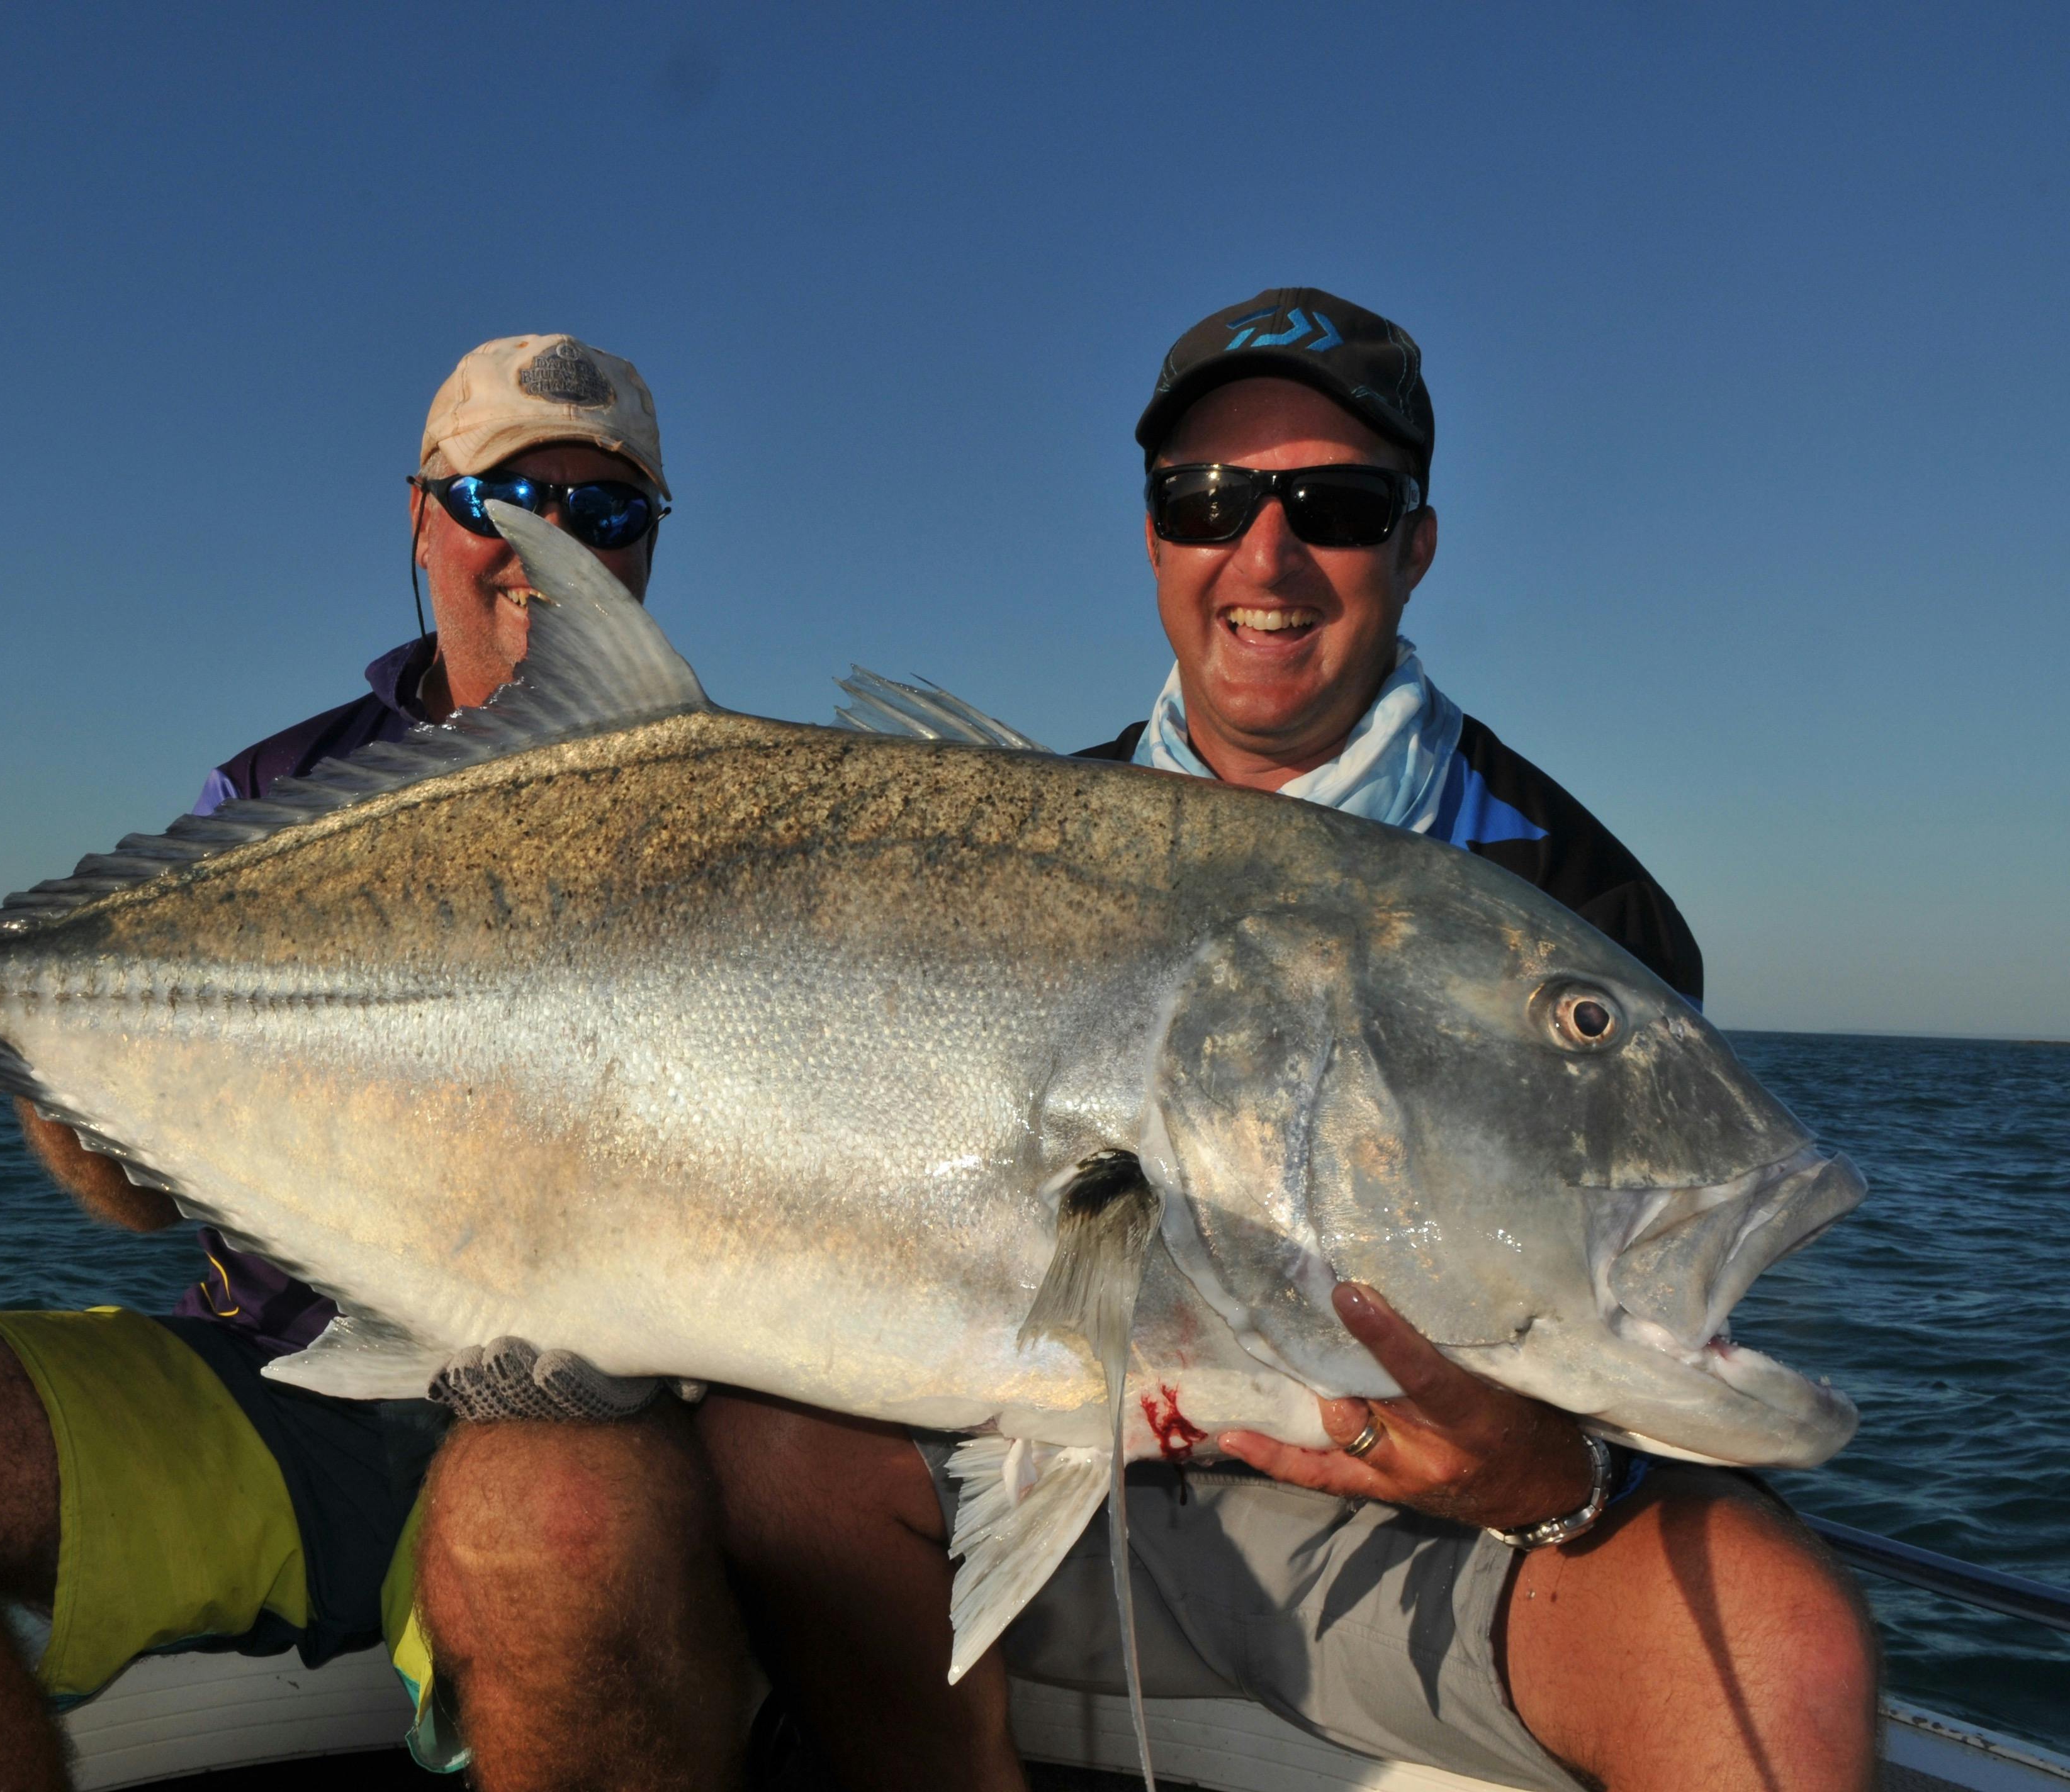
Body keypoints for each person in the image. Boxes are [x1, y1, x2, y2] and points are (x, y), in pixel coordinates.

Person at [698, 289, 1881, 1792]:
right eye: (1205, 502)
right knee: (770, 1449)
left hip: (1405, 1533)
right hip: (1017, 1468)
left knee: (1778, 1649)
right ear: (1153, 540)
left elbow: (1604, 1383)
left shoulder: (1571, 900)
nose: (1263, 557)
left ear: (1413, 545)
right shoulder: (1002, 840)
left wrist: (1543, 1472)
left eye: (1334, 506)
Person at [0, 333, 748, 1792]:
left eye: (604, 508)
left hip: (580, 1417)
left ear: (646, 546)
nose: (547, 541)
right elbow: (132, 1200)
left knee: (560, 1524)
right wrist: (11, 1044)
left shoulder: (738, 823)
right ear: (421, 517)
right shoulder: (271, 794)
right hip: (283, 1383)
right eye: (502, 498)